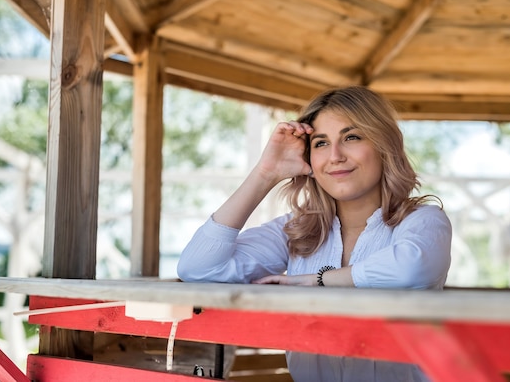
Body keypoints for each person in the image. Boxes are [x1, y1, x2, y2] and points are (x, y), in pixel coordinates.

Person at [177, 85, 452, 382]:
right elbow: (199, 267)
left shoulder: (423, 220)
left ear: (384, 145)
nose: (335, 156)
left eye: (351, 137)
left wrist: (316, 280)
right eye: (320, 143)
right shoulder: (296, 230)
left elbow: (411, 267)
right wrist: (266, 173)